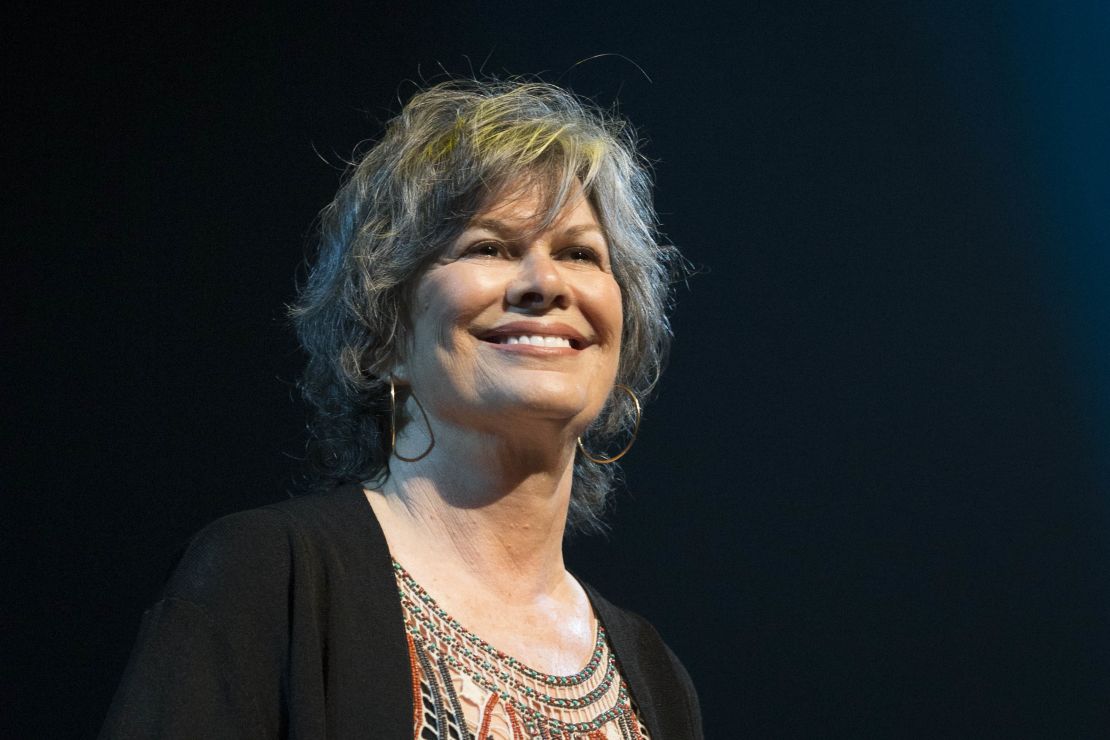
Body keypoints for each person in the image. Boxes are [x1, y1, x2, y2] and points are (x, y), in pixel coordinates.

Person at [101, 79, 702, 739]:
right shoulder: (267, 580)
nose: (545, 284)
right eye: (490, 247)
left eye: (580, 254)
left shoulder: (654, 677)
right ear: (384, 330)